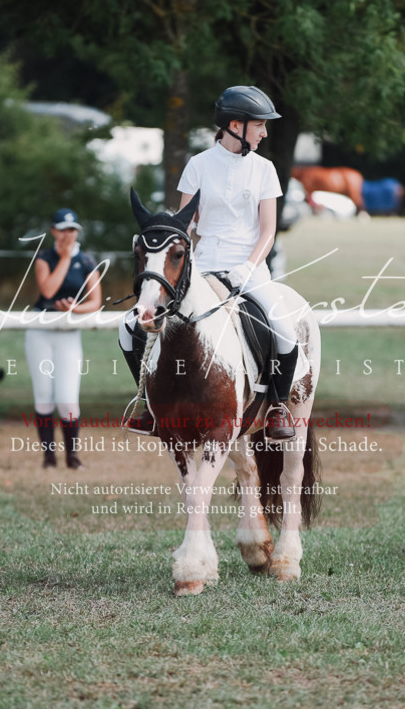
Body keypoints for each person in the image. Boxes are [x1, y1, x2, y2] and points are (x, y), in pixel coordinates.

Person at [121, 84, 298, 440]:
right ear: (235, 125)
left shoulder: (264, 169)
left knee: (284, 329)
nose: (264, 132)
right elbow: (185, 225)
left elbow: (268, 231)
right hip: (203, 267)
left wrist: (249, 266)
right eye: (259, 125)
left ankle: (278, 407)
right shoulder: (198, 165)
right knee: (129, 326)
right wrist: (163, 250)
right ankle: (150, 403)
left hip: (249, 268)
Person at [25, 208, 102, 469]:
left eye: (72, 229)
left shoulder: (87, 260)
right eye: (62, 229)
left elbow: (95, 301)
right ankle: (49, 457)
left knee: (68, 398)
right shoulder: (44, 257)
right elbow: (48, 290)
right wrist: (66, 258)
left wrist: (74, 309)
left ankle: (73, 457)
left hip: (68, 332)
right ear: (53, 231)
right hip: (41, 330)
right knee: (44, 395)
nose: (68, 234)